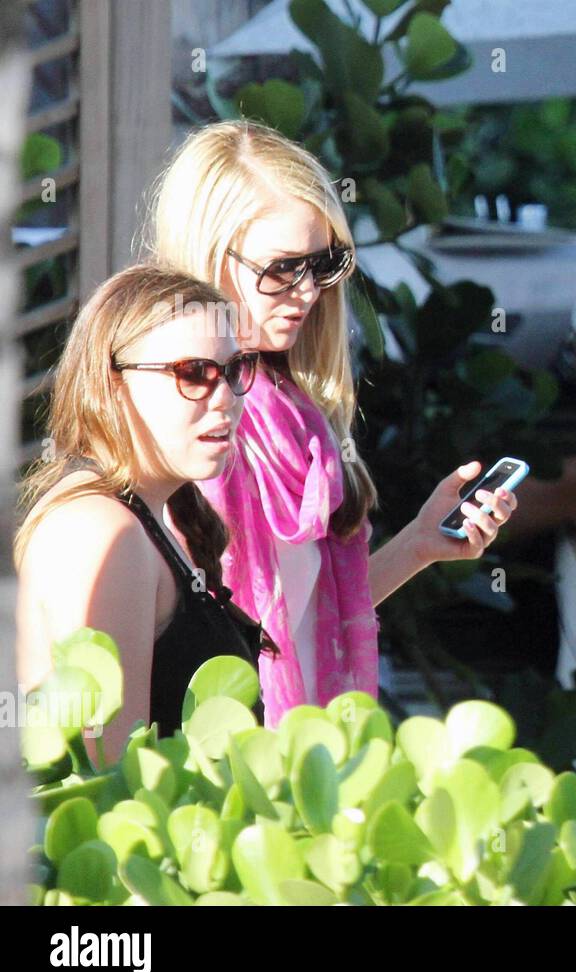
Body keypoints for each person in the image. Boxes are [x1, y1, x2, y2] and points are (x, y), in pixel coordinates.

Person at [145, 120, 519, 726]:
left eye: (324, 265)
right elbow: (185, 636)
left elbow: (301, 620)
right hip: (211, 772)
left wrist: (421, 545)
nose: (307, 291)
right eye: (280, 268)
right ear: (207, 255)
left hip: (302, 760)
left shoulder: (293, 413)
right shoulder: (175, 416)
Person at [15, 266, 264, 758]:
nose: (225, 398)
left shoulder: (143, 518)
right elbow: (114, 778)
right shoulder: (102, 530)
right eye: (193, 374)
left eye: (234, 370)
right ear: (113, 385)